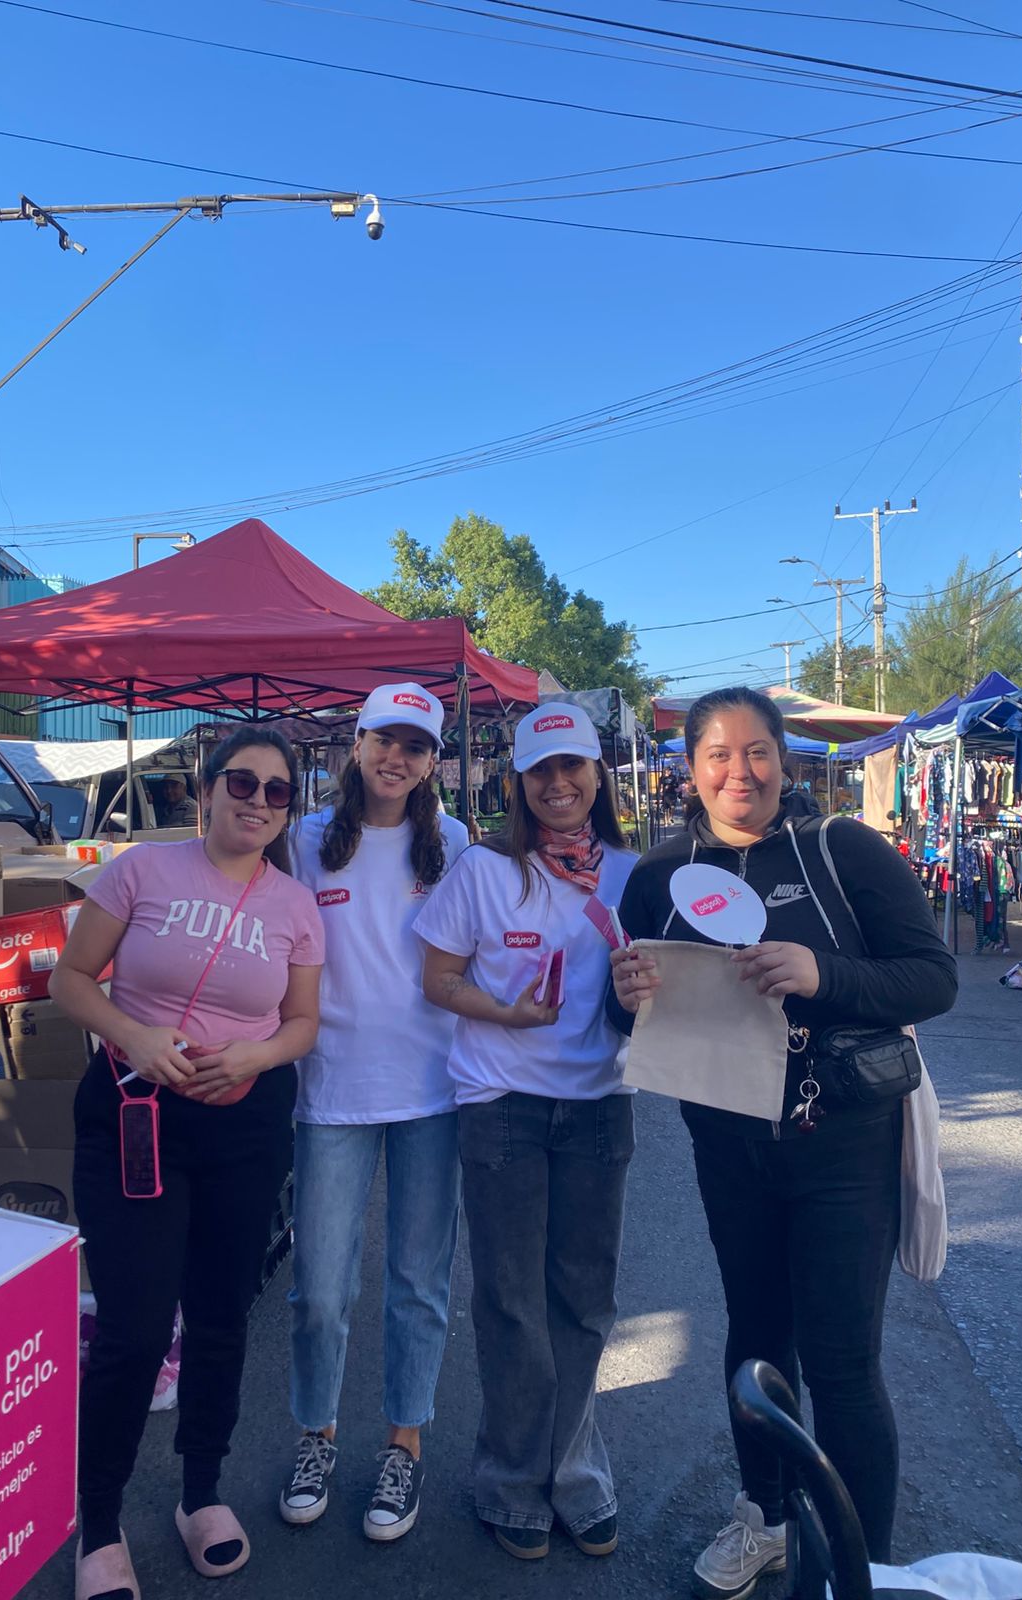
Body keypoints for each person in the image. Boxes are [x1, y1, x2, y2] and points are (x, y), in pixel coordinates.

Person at [606, 685, 958, 1600]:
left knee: (843, 1363)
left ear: (783, 758)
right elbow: (628, 1016)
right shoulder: (658, 875)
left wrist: (822, 974)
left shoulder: (843, 851)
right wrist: (627, 991)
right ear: (689, 771)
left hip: (845, 1146)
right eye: (717, 755)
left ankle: (860, 1568)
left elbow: (932, 978)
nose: (739, 772)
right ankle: (762, 1518)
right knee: (755, 1340)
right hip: (730, 1151)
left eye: (756, 751)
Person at [51, 727, 324, 1600]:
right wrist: (133, 1034)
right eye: (242, 782)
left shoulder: (295, 905)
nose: (257, 801)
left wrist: (254, 1058)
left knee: (218, 1316)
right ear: (205, 789)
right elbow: (71, 979)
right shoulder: (140, 869)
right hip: (134, 1118)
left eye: (278, 792)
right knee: (133, 1329)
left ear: (289, 810)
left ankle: (201, 1490)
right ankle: (99, 1520)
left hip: (243, 1130)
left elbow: (303, 1024)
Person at [414, 702, 636, 1562]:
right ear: (517, 784)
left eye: (572, 766)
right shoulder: (482, 871)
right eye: (540, 772)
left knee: (584, 1301)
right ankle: (510, 1480)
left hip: (598, 1106)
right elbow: (438, 979)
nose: (558, 785)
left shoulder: (629, 873)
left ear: (597, 775)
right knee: (511, 1302)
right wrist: (506, 1014)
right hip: (500, 1104)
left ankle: (577, 1476)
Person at [280, 682, 469, 1542]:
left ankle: (404, 1443)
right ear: (356, 744)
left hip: (433, 1090)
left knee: (417, 1286)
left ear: (433, 762)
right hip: (331, 1091)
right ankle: (314, 1433)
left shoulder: (456, 845)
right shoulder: (305, 841)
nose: (397, 758)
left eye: (416, 746)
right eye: (384, 741)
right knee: (319, 1290)